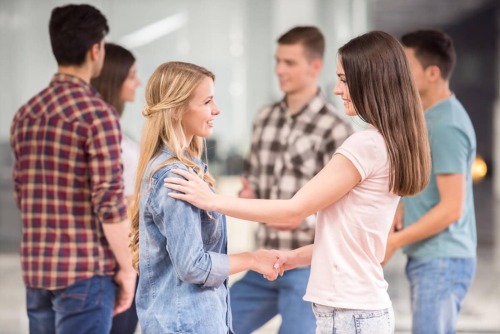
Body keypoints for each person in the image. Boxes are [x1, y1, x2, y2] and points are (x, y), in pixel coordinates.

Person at [165, 30, 431, 334]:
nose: (338, 90)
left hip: (349, 314)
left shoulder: (365, 145)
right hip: (359, 311)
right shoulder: (384, 144)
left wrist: (211, 200)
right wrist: (294, 257)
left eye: (344, 80)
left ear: (368, 80)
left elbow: (295, 210)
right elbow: (350, 243)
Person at [128, 61, 282, 334]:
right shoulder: (175, 178)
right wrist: (253, 259)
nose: (216, 110)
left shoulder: (183, 168)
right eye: (207, 101)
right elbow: (193, 267)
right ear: (176, 110)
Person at [9, 4, 136, 333]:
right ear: (96, 50)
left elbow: (22, 195)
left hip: (37, 273)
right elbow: (110, 203)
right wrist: (126, 269)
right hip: (85, 275)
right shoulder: (98, 115)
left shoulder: (26, 115)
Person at [232, 25, 352, 334]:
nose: (279, 70)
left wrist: (301, 221)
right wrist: (248, 193)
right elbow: (253, 180)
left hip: (308, 266)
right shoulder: (264, 118)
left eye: (289, 62)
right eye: (278, 61)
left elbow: (342, 207)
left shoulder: (335, 129)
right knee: (215, 324)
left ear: (315, 66)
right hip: (263, 260)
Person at [383, 29, 477, 334]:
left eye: (406, 66)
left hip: (443, 261)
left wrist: (395, 241)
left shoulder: (447, 124)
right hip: (431, 258)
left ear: (432, 73)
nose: (399, 75)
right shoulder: (431, 117)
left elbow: (451, 209)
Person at [91, 43, 141, 334]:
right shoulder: (105, 133)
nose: (137, 82)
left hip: (125, 251)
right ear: (114, 77)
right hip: (115, 256)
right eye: (132, 74)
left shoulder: (114, 127)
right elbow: (113, 203)